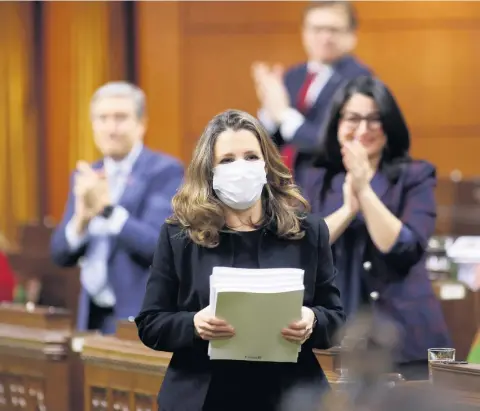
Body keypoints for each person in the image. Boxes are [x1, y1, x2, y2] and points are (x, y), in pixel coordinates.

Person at [135, 109, 345, 411]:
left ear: (267, 164)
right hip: (205, 393)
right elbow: (151, 322)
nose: (241, 168)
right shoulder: (180, 235)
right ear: (209, 170)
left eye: (250, 156)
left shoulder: (308, 230)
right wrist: (194, 324)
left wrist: (312, 320)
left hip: (291, 394)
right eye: (227, 160)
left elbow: (335, 317)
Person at [302, 76, 451, 380]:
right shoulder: (314, 178)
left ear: (389, 125)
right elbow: (302, 248)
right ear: (337, 123)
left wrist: (363, 190)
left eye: (374, 119)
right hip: (336, 339)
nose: (363, 129)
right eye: (353, 118)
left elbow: (403, 247)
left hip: (405, 339)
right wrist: (347, 210)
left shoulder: (415, 176)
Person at [50, 81, 184, 334]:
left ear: (141, 124)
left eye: (120, 118)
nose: (111, 128)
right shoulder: (87, 175)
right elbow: (59, 254)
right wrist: (81, 220)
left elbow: (161, 246)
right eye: (102, 118)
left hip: (138, 318)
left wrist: (107, 210)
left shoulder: (164, 172)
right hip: (91, 316)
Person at [252, 0, 371, 183]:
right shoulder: (292, 75)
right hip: (282, 189)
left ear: (352, 35)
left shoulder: (360, 80)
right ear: (304, 32)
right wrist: (270, 113)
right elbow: (273, 142)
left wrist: (283, 115)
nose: (325, 37)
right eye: (316, 29)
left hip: (327, 189)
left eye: (333, 30)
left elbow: (334, 145)